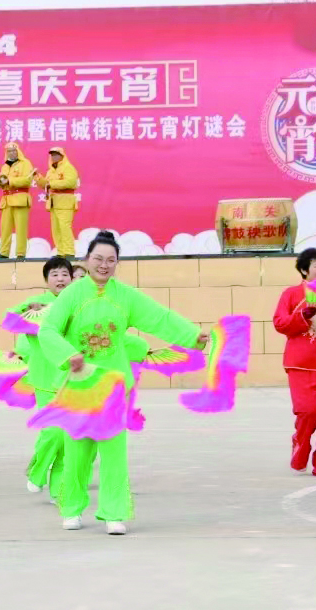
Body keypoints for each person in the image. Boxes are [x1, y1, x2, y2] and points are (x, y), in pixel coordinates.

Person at [37, 231, 207, 535]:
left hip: (113, 387)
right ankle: (72, 508)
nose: (104, 265)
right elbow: (47, 330)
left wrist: (192, 335)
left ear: (117, 263)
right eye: (98, 259)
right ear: (87, 260)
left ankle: (114, 512)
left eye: (110, 260)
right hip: (78, 387)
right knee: (77, 453)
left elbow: (159, 317)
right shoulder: (72, 295)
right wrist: (68, 354)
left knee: (114, 453)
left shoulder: (126, 296)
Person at [273, 247, 316, 476]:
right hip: (300, 363)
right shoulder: (291, 294)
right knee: (309, 411)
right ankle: (300, 444)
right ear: (304, 270)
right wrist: (304, 316)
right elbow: (280, 323)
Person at [21, 255, 76, 498]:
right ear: (46, 280)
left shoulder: (77, 304)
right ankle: (37, 471)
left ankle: (58, 491)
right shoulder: (36, 305)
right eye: (54, 274)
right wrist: (29, 313)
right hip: (45, 379)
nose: (60, 279)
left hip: (71, 380)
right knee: (53, 432)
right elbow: (15, 320)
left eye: (64, 274)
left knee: (67, 440)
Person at [35, 146, 79, 257]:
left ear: (62, 156)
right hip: (53, 202)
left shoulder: (68, 167)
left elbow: (70, 182)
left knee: (65, 228)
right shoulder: (51, 171)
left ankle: (69, 252)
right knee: (56, 229)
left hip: (65, 202)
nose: (54, 157)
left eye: (56, 154)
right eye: (52, 155)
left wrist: (52, 184)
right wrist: (38, 177)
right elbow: (46, 185)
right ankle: (60, 252)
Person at [0, 143, 35, 259]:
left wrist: (9, 181)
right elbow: (0, 182)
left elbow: (27, 180)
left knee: (21, 229)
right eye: (9, 151)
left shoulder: (25, 163)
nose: (11, 153)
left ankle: (20, 253)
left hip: (20, 199)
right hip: (7, 200)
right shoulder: (5, 166)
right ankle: (3, 253)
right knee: (5, 228)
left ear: (18, 151)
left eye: (14, 150)